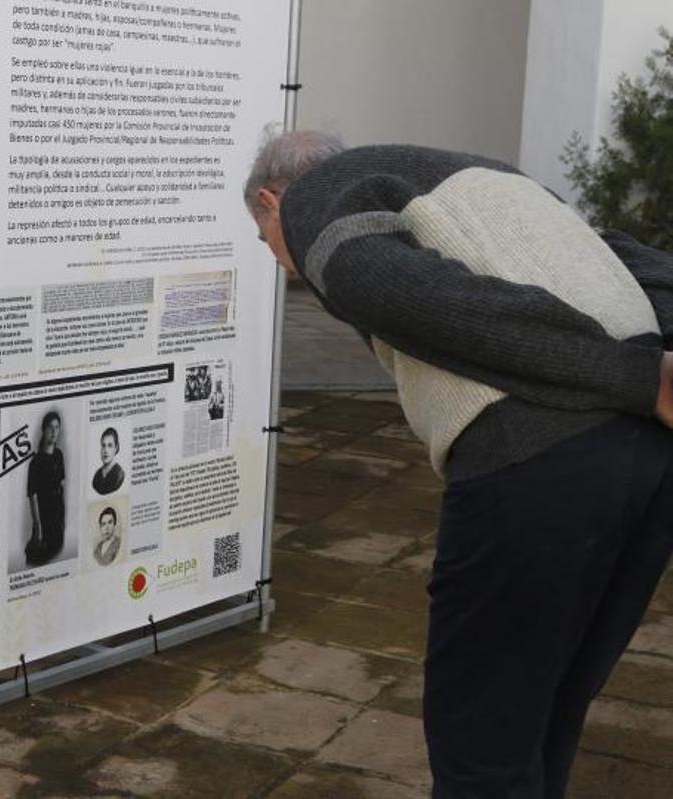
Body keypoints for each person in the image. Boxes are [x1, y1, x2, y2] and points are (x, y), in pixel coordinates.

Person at [244, 128, 673, 797]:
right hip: (649, 461)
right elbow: (630, 262)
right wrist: (653, 365)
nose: (279, 257)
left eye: (264, 239)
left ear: (272, 201)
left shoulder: (316, 198)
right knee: (550, 705)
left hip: (540, 461)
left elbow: (398, 292)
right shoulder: (486, 173)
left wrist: (637, 376)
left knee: (482, 738)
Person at [25, 410, 65, 566]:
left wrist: (62, 517)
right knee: (39, 560)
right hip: (43, 519)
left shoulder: (59, 455)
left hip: (57, 518)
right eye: (50, 427)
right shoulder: (35, 463)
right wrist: (38, 527)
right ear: (44, 430)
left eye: (57, 427)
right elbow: (32, 498)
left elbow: (62, 487)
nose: (54, 431)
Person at [91, 427, 125, 496]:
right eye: (103, 445)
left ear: (116, 448)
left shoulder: (119, 474)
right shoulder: (97, 475)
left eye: (110, 445)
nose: (106, 450)